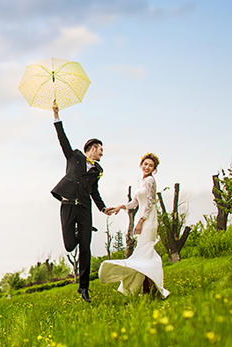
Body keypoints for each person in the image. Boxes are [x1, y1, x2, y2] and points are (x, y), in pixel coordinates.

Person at [51, 101, 114, 303]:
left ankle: (84, 288)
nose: (102, 154)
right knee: (70, 245)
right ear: (92, 148)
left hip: (85, 208)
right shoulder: (74, 156)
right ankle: (80, 232)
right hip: (68, 204)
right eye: (100, 150)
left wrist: (103, 208)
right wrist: (56, 115)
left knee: (86, 249)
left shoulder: (98, 171)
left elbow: (94, 191)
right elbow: (62, 139)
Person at [98, 153, 170, 298]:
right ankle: (147, 288)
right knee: (144, 254)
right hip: (142, 217)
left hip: (148, 219)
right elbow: (135, 203)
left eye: (151, 165)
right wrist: (120, 207)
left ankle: (152, 286)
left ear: (154, 169)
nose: (147, 167)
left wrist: (141, 221)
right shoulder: (142, 181)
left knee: (146, 252)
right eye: (145, 164)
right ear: (141, 164)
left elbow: (149, 203)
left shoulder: (150, 181)